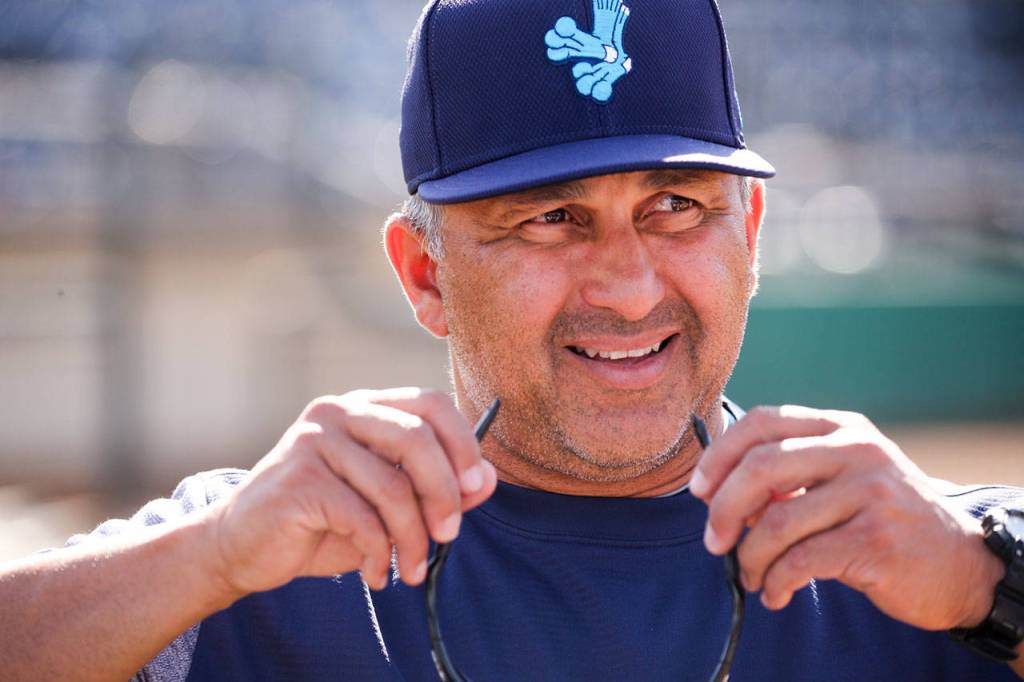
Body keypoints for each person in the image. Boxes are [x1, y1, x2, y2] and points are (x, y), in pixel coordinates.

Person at [1, 1, 1022, 680]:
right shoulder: (264, 550)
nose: (630, 288)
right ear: (425, 274)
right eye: (549, 219)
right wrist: (211, 556)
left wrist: (986, 586)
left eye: (675, 205)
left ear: (748, 235)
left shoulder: (927, 552)